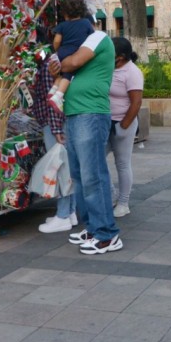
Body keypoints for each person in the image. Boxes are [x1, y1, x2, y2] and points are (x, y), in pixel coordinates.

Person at [51, 28, 121, 255]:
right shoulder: (80, 46)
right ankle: (92, 228)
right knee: (80, 177)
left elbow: (71, 64)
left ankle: (107, 234)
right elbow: (66, 73)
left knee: (93, 176)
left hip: (90, 114)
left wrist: (62, 63)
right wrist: (57, 72)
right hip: (74, 114)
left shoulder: (97, 38)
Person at [32, 57, 77, 233]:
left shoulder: (53, 63)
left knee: (59, 170)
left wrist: (56, 127)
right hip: (57, 123)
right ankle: (70, 212)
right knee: (67, 169)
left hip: (55, 124)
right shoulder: (61, 60)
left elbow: (55, 98)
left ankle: (63, 215)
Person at [108, 37, 144, 218]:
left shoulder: (132, 72)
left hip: (123, 122)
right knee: (96, 159)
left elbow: (136, 102)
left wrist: (123, 126)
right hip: (105, 121)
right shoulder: (110, 67)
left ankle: (123, 203)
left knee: (122, 163)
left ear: (120, 56)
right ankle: (111, 194)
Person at [47, 0, 95, 114]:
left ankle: (53, 90)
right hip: (75, 53)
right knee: (69, 74)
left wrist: (58, 50)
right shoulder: (86, 23)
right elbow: (93, 38)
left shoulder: (62, 25)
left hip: (62, 52)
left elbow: (57, 40)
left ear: (65, 12)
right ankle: (59, 95)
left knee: (61, 73)